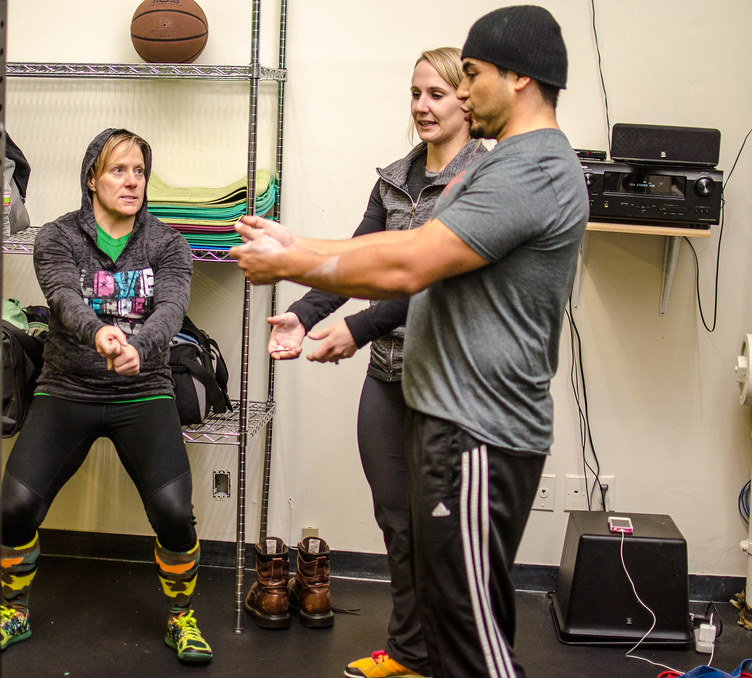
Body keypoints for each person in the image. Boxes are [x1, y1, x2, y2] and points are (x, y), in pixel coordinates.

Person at [230, 6, 588, 677]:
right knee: (452, 631)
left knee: (470, 638)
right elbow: (389, 247)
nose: (460, 91)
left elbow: (410, 266)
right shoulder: (501, 165)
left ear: (517, 77)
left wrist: (290, 260)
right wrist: (299, 255)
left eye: (471, 75)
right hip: (448, 422)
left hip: (477, 432)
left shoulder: (530, 169)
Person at [264, 47, 486, 678]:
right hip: (388, 379)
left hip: (452, 384)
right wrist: (304, 315)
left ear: (466, 102)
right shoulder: (394, 178)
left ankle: (458, 658)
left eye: (436, 94)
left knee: (446, 535)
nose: (421, 106)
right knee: (398, 523)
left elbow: (433, 284)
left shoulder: (484, 181)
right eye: (415, 93)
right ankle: (412, 652)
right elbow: (356, 260)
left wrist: (356, 328)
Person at [0, 128, 213, 664]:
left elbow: (170, 308)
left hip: (143, 391)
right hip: (68, 387)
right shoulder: (57, 236)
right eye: (119, 170)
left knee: (173, 511)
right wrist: (98, 333)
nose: (132, 181)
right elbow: (63, 296)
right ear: (91, 178)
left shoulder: (168, 244)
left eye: (139, 171)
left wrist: (140, 346)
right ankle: (12, 609)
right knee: (16, 505)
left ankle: (181, 619)